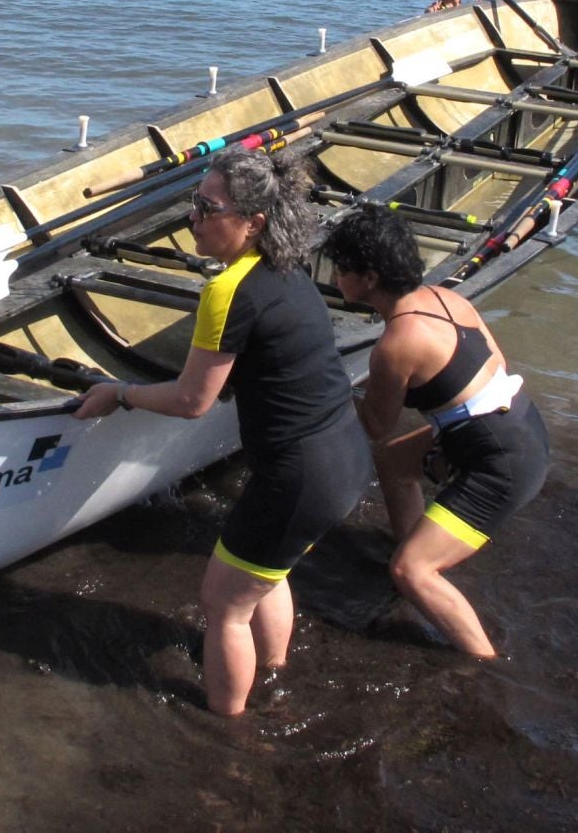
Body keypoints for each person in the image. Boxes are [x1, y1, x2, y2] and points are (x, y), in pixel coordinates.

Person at [73, 148, 370, 716]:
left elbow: (191, 400)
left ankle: (229, 730)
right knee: (267, 573)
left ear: (252, 222)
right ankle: (275, 672)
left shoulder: (226, 290)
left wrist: (121, 394)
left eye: (207, 208)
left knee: (224, 604)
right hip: (344, 455)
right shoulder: (284, 265)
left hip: (298, 475)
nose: (192, 219)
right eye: (194, 203)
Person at [323, 204, 550, 658]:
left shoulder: (397, 343)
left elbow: (372, 423)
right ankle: (413, 544)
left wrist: (322, 385)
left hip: (502, 462)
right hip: (521, 424)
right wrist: (452, 439)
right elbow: (496, 366)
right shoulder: (447, 297)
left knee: (411, 572)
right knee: (393, 464)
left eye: (340, 268)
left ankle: (482, 660)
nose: (333, 279)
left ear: (369, 278)